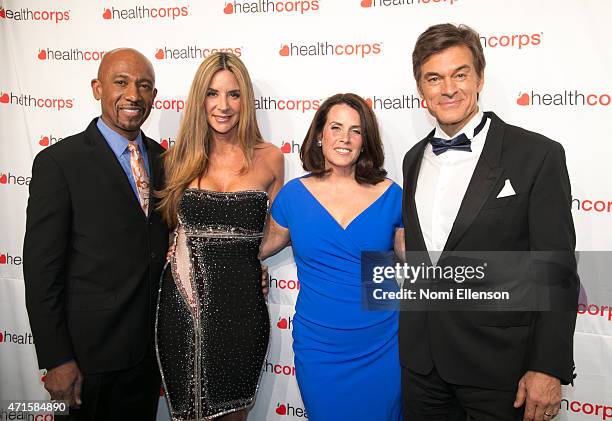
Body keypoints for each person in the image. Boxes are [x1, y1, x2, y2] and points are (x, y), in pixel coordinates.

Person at [399, 24, 578, 421]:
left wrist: (547, 366)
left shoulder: (536, 155)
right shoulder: (412, 159)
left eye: (459, 74)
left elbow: (557, 270)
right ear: (421, 90)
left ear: (480, 78)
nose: (448, 88)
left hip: (501, 371)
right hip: (422, 368)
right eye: (434, 78)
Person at [23, 48, 168, 420]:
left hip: (149, 358)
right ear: (97, 88)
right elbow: (42, 272)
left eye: (144, 86)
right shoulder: (60, 163)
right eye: (121, 82)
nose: (133, 94)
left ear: (154, 95)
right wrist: (57, 359)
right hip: (89, 360)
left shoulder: (166, 161)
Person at [155, 52, 284, 421]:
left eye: (234, 94)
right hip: (182, 307)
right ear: (200, 100)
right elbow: (163, 232)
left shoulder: (271, 159)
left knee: (232, 412)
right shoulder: (174, 160)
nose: (223, 106)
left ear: (246, 100)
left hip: (242, 308)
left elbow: (279, 230)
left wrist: (253, 264)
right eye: (213, 94)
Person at [260, 93, 404, 420]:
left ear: (365, 141)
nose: (344, 138)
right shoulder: (294, 195)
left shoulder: (391, 194)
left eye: (355, 130)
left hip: (382, 344)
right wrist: (183, 242)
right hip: (319, 348)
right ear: (320, 136)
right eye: (336, 127)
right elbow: (255, 248)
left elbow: (417, 261)